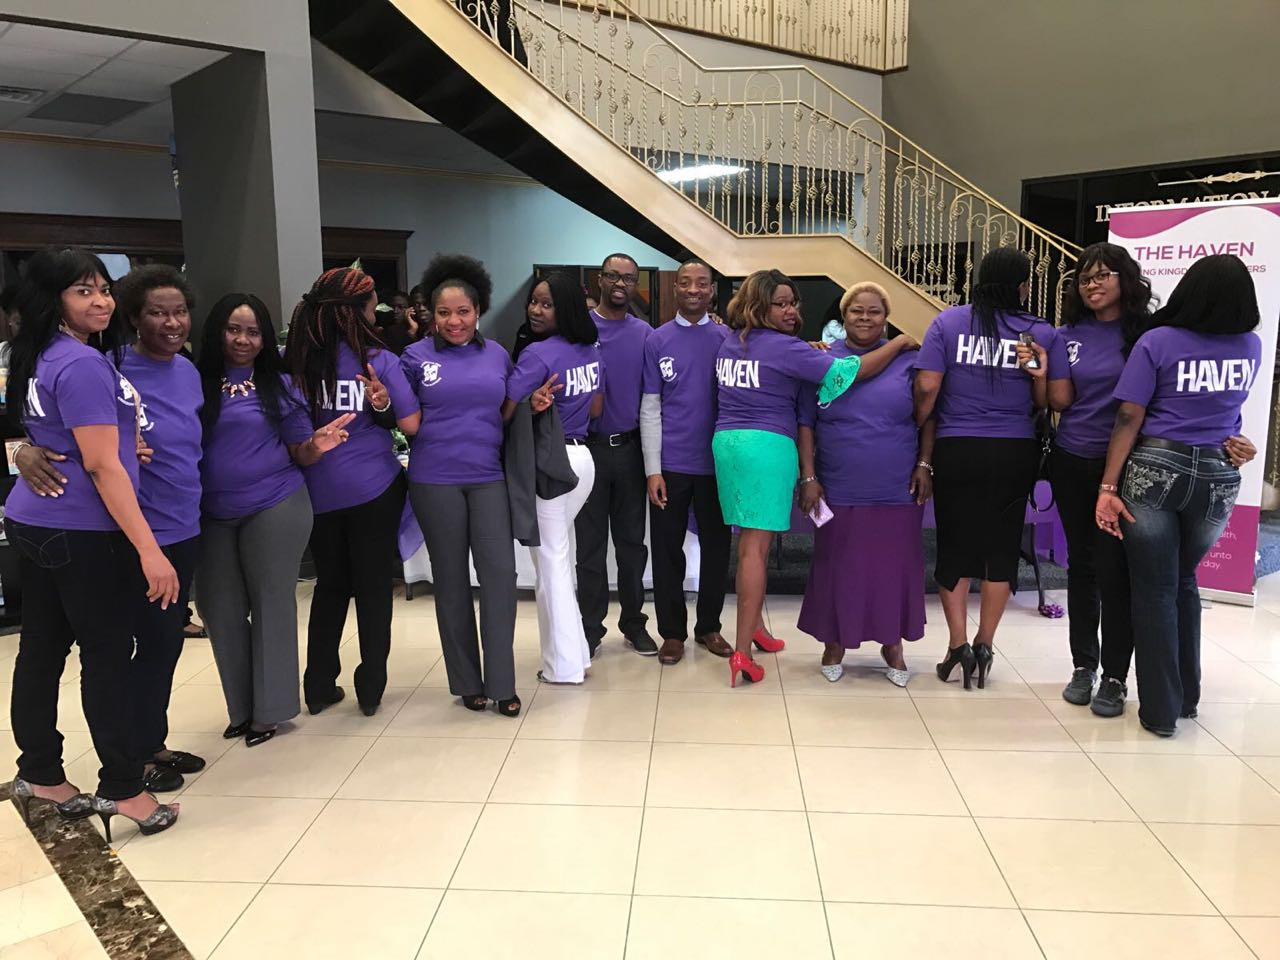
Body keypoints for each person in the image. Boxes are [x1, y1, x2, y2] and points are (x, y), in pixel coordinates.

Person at [4, 247, 180, 839]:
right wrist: (149, 550)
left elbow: (62, 436)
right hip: (80, 527)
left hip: (35, 520)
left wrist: (125, 446)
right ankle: (124, 788)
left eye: (104, 288)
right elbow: (103, 468)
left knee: (42, 647)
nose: (101, 300)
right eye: (84, 291)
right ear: (53, 300)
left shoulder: (38, 353)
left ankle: (41, 772)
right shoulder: (80, 363)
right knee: (106, 655)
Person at [714, 269, 914, 687]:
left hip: (728, 444)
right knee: (755, 550)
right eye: (780, 304)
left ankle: (756, 630)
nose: (791, 311)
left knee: (748, 540)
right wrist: (897, 341)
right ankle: (742, 652)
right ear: (758, 305)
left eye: (793, 303)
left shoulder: (732, 340)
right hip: (766, 447)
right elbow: (848, 373)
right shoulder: (786, 348)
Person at [1096, 254, 1262, 738]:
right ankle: (1187, 698)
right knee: (1184, 579)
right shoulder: (1250, 345)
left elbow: (1129, 416)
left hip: (1157, 467)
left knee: (1154, 589)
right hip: (1218, 472)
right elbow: (1228, 410)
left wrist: (1108, 486)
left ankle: (1160, 712)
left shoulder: (1158, 341)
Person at [197, 293, 354, 746]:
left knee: (271, 603)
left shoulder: (279, 385)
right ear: (217, 332)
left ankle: (270, 711)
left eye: (253, 332)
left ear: (265, 339)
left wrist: (317, 445)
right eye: (233, 329)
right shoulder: (194, 383)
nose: (242, 340)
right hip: (211, 514)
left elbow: (300, 452)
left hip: (275, 504)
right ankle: (242, 708)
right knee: (218, 608)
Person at [914, 248, 1070, 690]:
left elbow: (927, 385)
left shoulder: (948, 322)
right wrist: (1037, 374)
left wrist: (917, 422)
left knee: (955, 545)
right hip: (1014, 451)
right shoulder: (1040, 332)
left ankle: (957, 646)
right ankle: (985, 645)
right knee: (1000, 549)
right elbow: (1055, 401)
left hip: (957, 448)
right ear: (1022, 286)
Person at [403, 255, 540, 717]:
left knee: (500, 577)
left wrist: (533, 402)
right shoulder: (415, 357)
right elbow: (403, 417)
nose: (454, 321)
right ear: (431, 314)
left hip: (488, 479)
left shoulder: (497, 354)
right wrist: (381, 402)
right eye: (444, 312)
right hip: (433, 480)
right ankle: (466, 682)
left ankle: (503, 683)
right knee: (451, 582)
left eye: (463, 311)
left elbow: (506, 411)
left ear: (478, 310)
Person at [285, 267, 419, 718]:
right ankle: (371, 688)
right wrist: (382, 404)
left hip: (318, 491)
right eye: (373, 305)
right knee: (374, 588)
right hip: (374, 488)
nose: (376, 314)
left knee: (331, 586)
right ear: (357, 311)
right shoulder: (377, 360)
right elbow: (410, 423)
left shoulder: (297, 362)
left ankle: (319, 686)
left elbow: (294, 436)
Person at [797, 281, 935, 685]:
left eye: (874, 311)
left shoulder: (910, 360)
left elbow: (929, 416)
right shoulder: (822, 359)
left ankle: (893, 643)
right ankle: (834, 642)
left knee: (894, 567)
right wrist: (808, 476)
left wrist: (925, 464)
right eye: (857, 310)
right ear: (843, 316)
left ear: (886, 317)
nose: (865, 318)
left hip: (896, 485)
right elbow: (806, 423)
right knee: (838, 566)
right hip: (839, 484)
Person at [508, 272, 604, 684]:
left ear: (565, 308)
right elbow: (596, 408)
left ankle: (564, 667)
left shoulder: (537, 354)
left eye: (546, 304)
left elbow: (505, 411)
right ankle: (575, 655)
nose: (536, 310)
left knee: (551, 565)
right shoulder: (591, 350)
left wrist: (531, 405)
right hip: (582, 460)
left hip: (551, 462)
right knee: (557, 561)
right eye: (533, 301)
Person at [640, 259, 733, 664]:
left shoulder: (728, 339)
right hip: (671, 465)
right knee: (666, 550)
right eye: (685, 283)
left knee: (717, 548)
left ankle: (709, 626)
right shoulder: (657, 340)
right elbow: (650, 407)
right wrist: (652, 469)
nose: (693, 289)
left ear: (712, 290)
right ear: (675, 288)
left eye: (701, 283)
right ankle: (672, 633)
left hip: (718, 464)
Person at [578, 253, 656, 656]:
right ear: (600, 279)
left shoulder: (645, 334)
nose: (620, 283)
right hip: (588, 450)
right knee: (590, 549)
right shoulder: (579, 329)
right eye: (613, 276)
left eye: (628, 278)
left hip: (629, 451)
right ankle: (589, 629)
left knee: (631, 546)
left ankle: (633, 623)